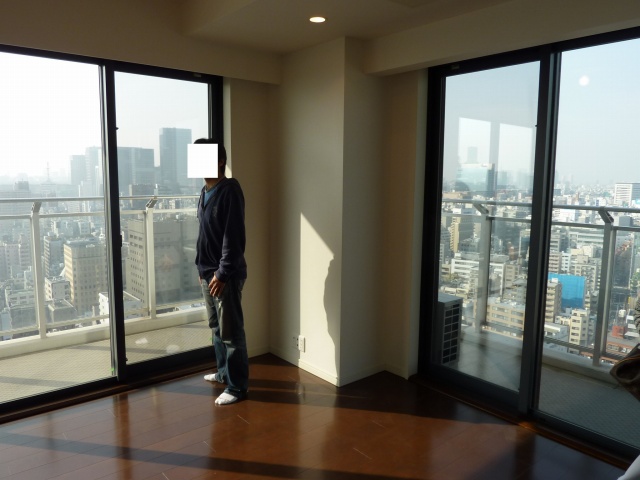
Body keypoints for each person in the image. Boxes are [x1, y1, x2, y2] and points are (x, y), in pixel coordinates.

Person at [194, 138, 248, 405]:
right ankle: (224, 373)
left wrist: (222, 273)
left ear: (220, 162)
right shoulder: (204, 192)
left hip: (225, 275)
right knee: (215, 327)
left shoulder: (230, 191)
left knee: (231, 332)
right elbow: (204, 234)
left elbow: (233, 237)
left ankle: (237, 388)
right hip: (207, 273)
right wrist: (200, 266)